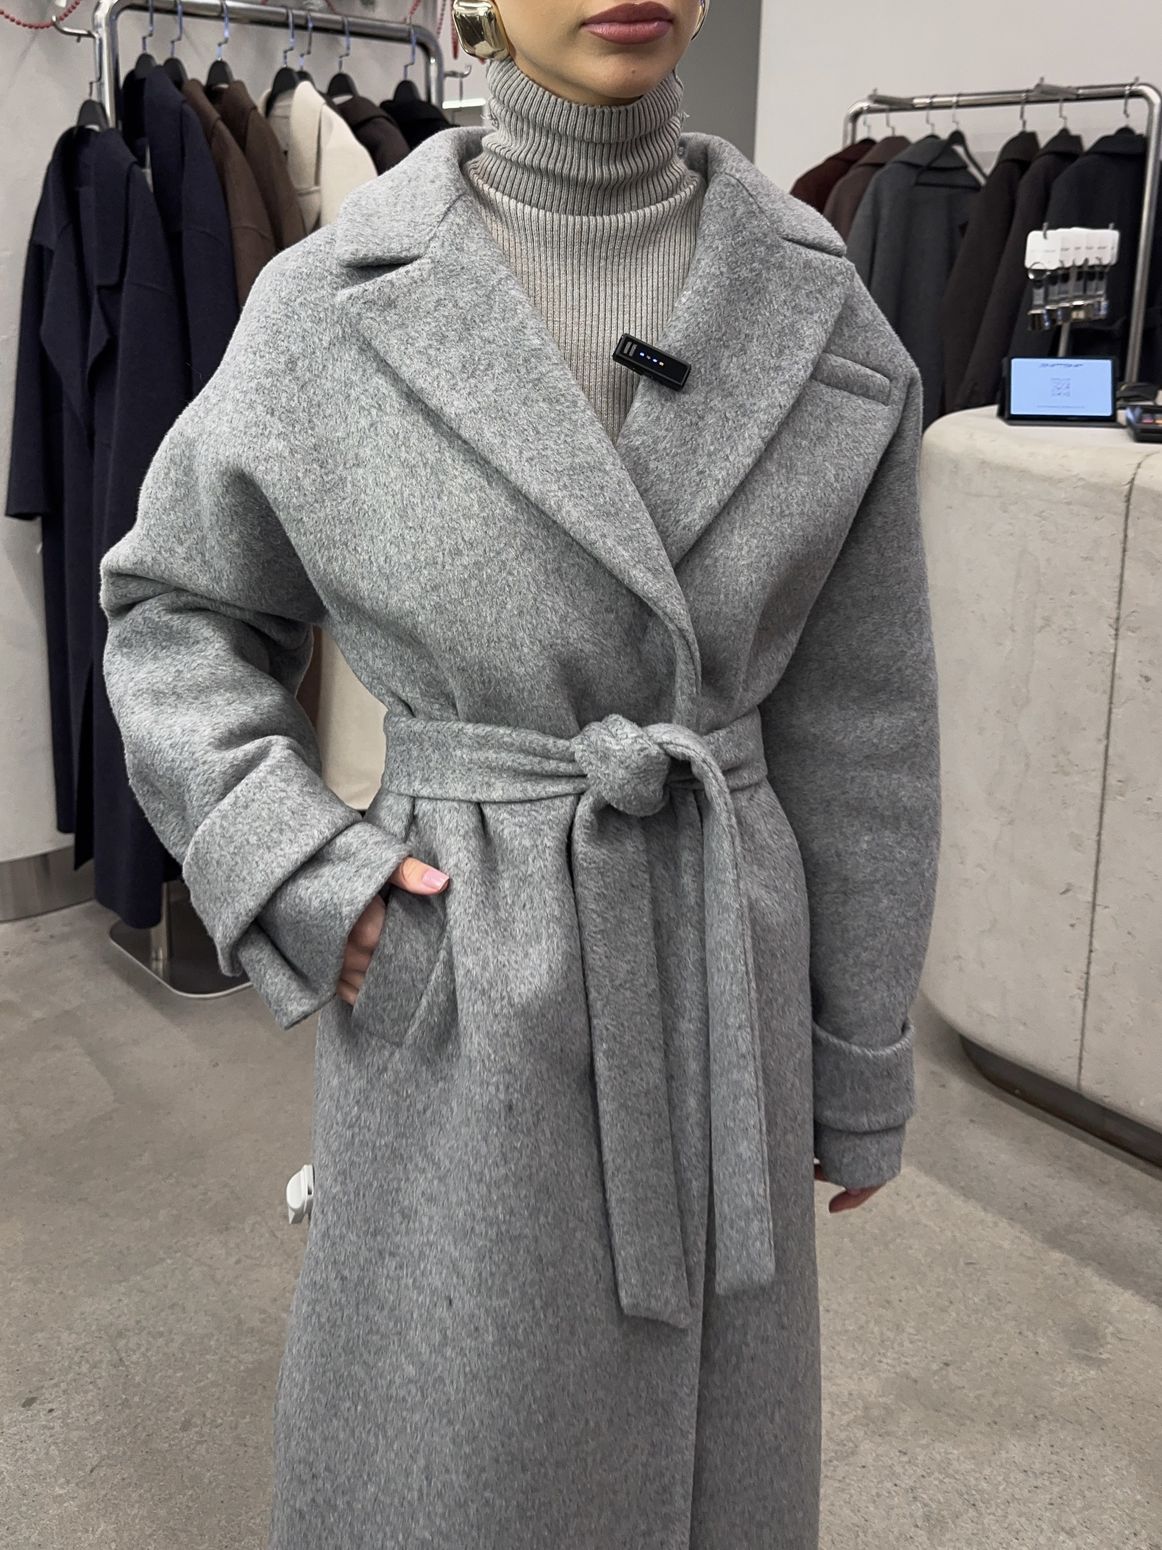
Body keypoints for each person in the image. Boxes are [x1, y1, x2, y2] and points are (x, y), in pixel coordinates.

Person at [98, 1, 942, 1545]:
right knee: (454, 1455)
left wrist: (855, 1048)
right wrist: (307, 874)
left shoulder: (815, 301)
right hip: (463, 966)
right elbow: (173, 614)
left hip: (715, 970)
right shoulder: (335, 300)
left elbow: (861, 716)